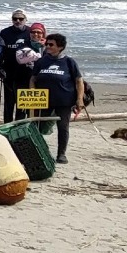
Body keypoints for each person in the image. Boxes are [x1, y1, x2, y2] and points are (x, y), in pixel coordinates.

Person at [31, 33, 84, 164]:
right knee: (38, 126)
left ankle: (61, 154)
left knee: (63, 127)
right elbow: (33, 79)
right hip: (43, 100)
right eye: (46, 44)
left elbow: (79, 81)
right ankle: (39, 151)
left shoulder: (69, 62)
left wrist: (79, 99)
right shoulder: (41, 61)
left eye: (51, 45)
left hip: (64, 101)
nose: (47, 46)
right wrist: (32, 94)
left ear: (60, 47)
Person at [0, 9, 33, 123]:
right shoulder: (4, 33)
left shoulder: (31, 32)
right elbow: (1, 52)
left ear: (25, 19)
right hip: (9, 73)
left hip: (26, 74)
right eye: (15, 19)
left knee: (23, 104)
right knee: (9, 103)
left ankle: (20, 127)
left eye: (21, 19)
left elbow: (39, 49)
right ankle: (7, 127)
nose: (18, 21)